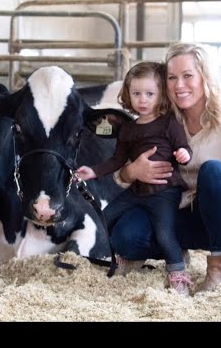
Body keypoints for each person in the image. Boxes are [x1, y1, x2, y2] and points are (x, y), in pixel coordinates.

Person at [107, 42, 221, 292]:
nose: (179, 85)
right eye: (171, 77)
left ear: (205, 77)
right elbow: (121, 175)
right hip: (175, 212)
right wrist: (132, 171)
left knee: (213, 171)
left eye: (188, 76)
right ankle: (176, 252)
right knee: (126, 236)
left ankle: (219, 263)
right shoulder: (161, 120)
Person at [75, 61, 194, 294]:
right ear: (128, 94)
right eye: (136, 93)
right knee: (106, 216)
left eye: (150, 94)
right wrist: (93, 171)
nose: (143, 100)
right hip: (137, 190)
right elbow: (117, 161)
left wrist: (183, 154)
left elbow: (184, 148)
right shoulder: (128, 129)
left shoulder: (169, 123)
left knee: (164, 231)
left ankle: (178, 272)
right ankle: (124, 257)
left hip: (164, 191)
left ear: (161, 95)